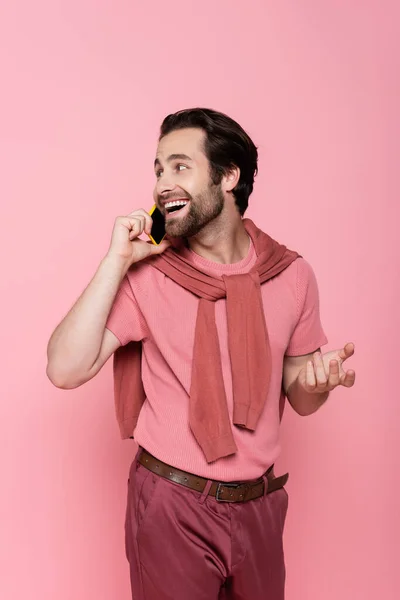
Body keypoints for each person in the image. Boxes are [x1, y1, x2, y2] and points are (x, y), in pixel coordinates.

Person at [46, 108, 356, 600]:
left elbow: (300, 397)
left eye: (179, 166)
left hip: (259, 505)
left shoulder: (291, 275)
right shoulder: (148, 275)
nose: (162, 183)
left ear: (228, 176)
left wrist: (315, 384)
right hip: (173, 503)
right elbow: (64, 369)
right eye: (158, 169)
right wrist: (116, 260)